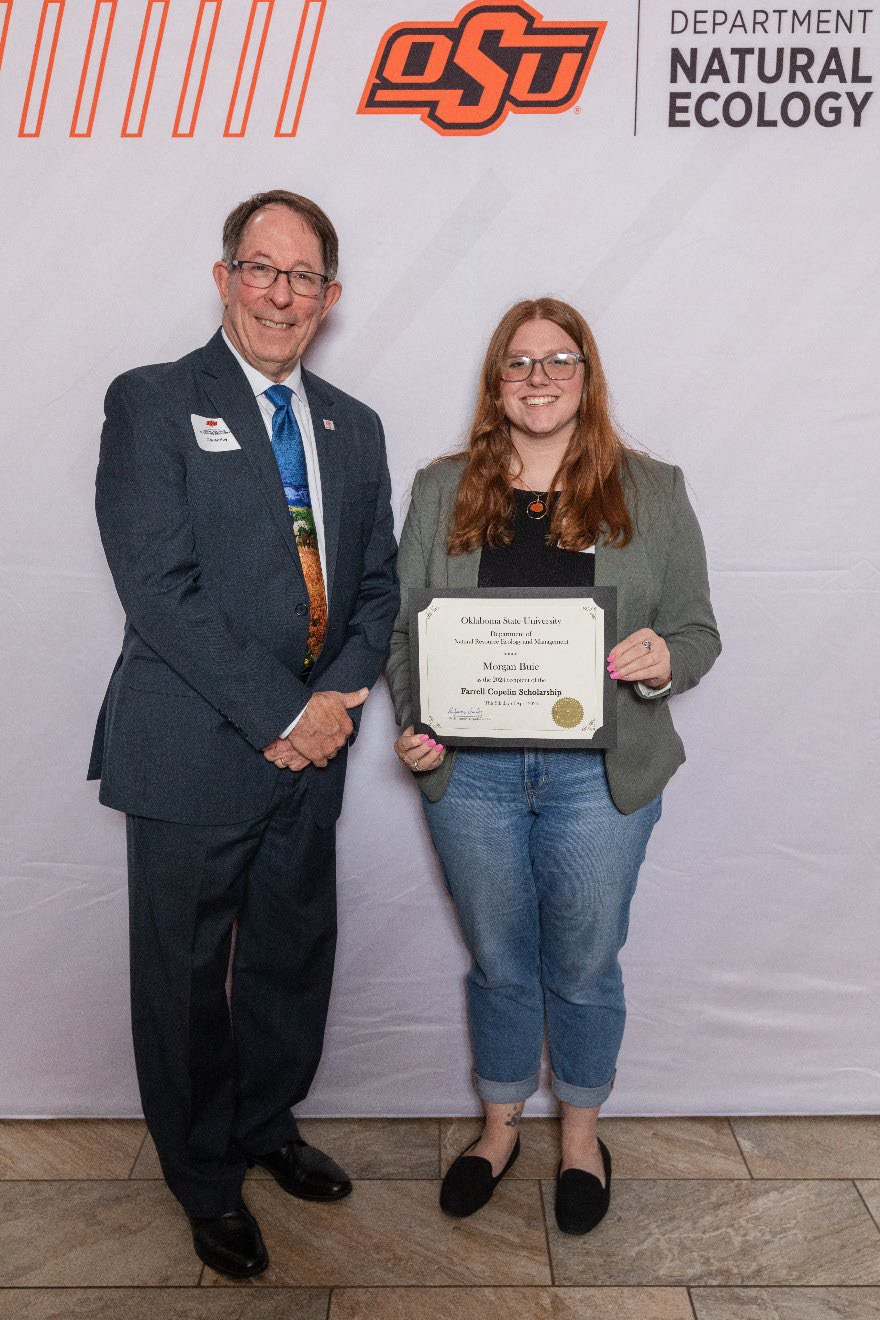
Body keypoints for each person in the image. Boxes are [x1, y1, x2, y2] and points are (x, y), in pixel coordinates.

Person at [88, 190, 398, 1277]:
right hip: (191, 748)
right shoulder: (154, 401)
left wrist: (330, 710)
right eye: (260, 268)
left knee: (288, 952)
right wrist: (281, 712)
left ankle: (266, 1124)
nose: (280, 292)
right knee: (182, 979)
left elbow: (375, 590)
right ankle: (204, 1178)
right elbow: (160, 589)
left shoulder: (353, 427)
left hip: (312, 758)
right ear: (224, 277)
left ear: (330, 297)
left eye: (302, 275)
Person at [386, 298, 720, 1235]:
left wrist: (666, 660)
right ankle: (498, 1130)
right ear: (497, 381)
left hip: (598, 777)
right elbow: (408, 626)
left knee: (581, 961)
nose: (539, 379)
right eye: (519, 363)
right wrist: (419, 724)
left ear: (588, 375)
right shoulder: (441, 487)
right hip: (474, 778)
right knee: (498, 962)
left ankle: (579, 1136)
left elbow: (697, 632)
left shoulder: (653, 488)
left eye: (559, 361)